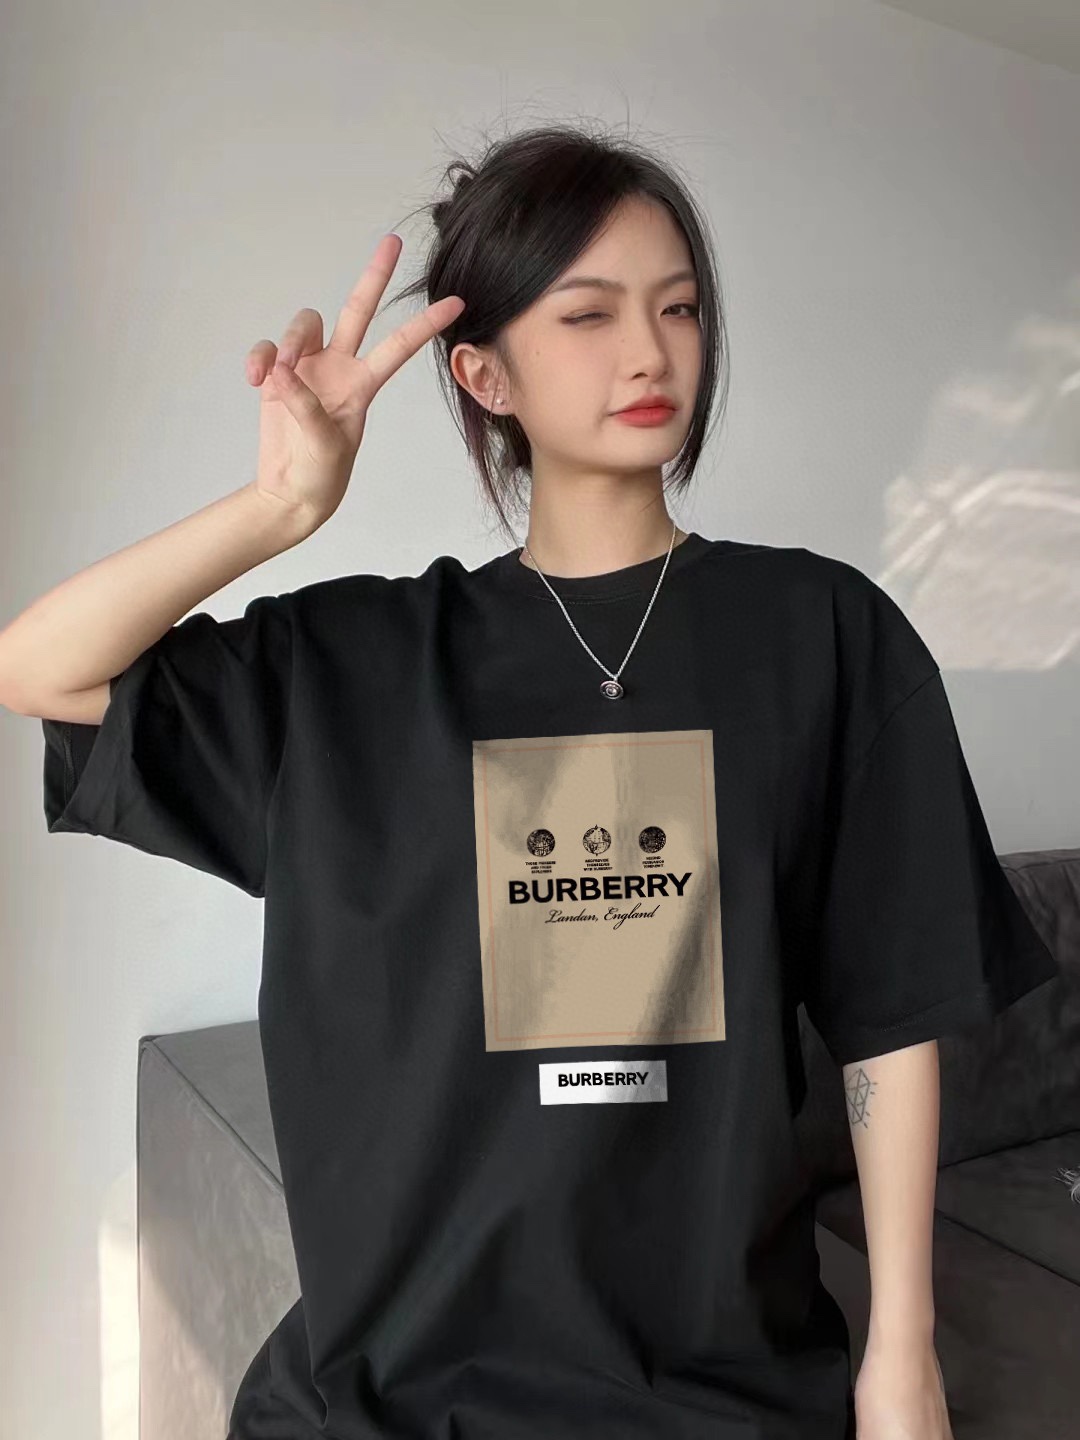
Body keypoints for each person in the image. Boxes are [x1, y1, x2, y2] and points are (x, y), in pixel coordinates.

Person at [0, 123, 1057, 1440]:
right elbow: (36, 670)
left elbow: (888, 1017)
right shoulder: (352, 665)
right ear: (484, 373)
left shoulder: (824, 635)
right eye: (589, 313)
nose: (650, 352)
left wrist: (902, 1359)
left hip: (719, 1391)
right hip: (393, 1397)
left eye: (679, 307)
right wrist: (280, 508)